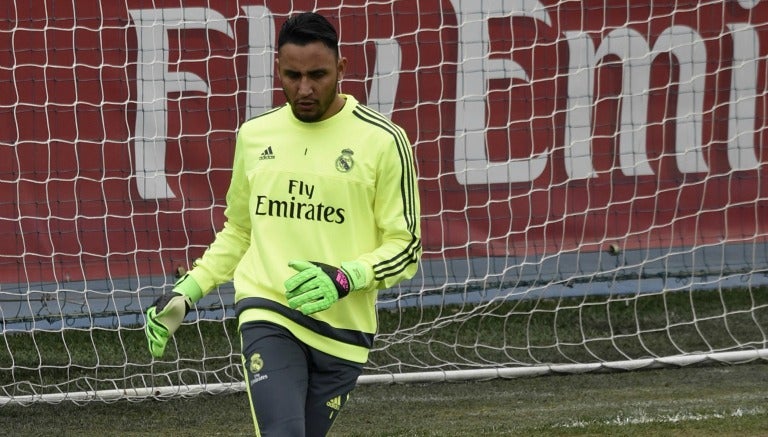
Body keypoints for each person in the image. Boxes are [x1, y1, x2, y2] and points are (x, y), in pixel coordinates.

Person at [144, 11, 422, 436]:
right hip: (268, 311)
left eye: (318, 75)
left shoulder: (384, 141)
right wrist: (188, 291)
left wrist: (346, 277)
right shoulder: (255, 136)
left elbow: (406, 246)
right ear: (278, 69)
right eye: (292, 75)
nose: (305, 88)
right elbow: (239, 231)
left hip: (343, 333)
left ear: (341, 69)